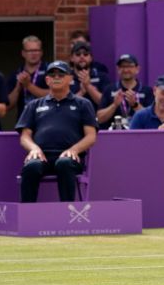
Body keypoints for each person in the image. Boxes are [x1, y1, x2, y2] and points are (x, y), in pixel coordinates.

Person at [15, 61, 97, 202]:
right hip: (42, 156)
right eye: (52, 75)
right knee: (31, 166)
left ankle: (67, 212)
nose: (56, 77)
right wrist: (34, 148)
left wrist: (75, 149)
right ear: (47, 80)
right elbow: (25, 136)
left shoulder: (83, 104)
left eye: (61, 74)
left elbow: (91, 136)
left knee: (64, 163)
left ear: (70, 79)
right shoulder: (34, 105)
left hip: (70, 157)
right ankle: (27, 213)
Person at [97, 54, 154, 129]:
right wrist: (114, 105)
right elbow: (99, 119)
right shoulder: (109, 89)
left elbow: (151, 119)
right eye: (123, 67)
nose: (126, 70)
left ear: (137, 69)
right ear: (118, 69)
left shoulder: (147, 91)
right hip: (114, 135)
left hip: (139, 135)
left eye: (130, 66)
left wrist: (135, 105)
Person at [7, 35, 49, 117]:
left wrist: (28, 85)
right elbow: (8, 106)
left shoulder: (49, 70)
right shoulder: (17, 73)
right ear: (23, 53)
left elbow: (54, 95)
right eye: (29, 51)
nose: (33, 54)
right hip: (23, 121)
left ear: (41, 52)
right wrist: (18, 88)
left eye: (36, 50)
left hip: (45, 120)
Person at [69, 41, 110, 108]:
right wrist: (81, 92)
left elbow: (105, 103)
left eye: (85, 54)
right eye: (78, 54)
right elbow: (65, 107)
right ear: (71, 58)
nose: (82, 57)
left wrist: (88, 86)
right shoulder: (66, 78)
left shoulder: (103, 77)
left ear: (91, 58)